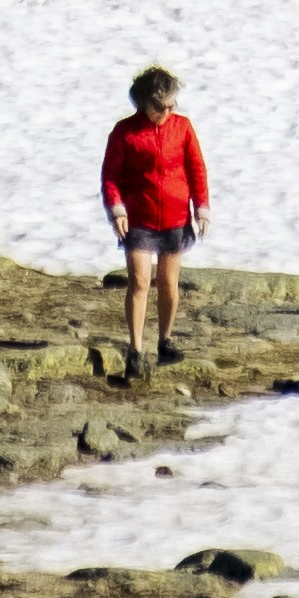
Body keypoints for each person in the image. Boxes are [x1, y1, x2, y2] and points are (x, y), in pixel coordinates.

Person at [102, 62, 209, 377]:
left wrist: (201, 207)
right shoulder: (124, 132)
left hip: (176, 216)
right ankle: (135, 350)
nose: (167, 111)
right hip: (138, 218)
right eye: (160, 106)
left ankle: (165, 340)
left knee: (168, 283)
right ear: (144, 103)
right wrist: (117, 209)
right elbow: (110, 176)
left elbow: (196, 168)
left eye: (171, 105)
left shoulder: (183, 127)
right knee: (139, 282)